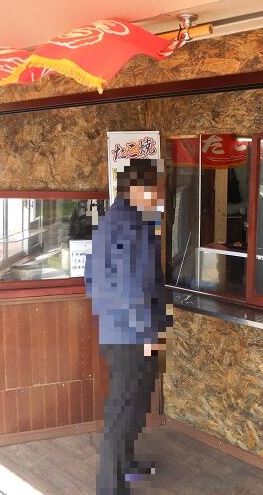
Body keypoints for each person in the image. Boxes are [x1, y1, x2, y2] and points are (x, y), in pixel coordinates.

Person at [86, 159, 171, 494]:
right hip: (133, 335)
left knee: (133, 404)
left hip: (118, 329)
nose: (160, 197)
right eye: (156, 189)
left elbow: (92, 280)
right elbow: (132, 287)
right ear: (138, 188)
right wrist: (148, 333)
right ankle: (110, 488)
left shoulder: (114, 220)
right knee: (123, 412)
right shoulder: (131, 225)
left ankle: (127, 465)